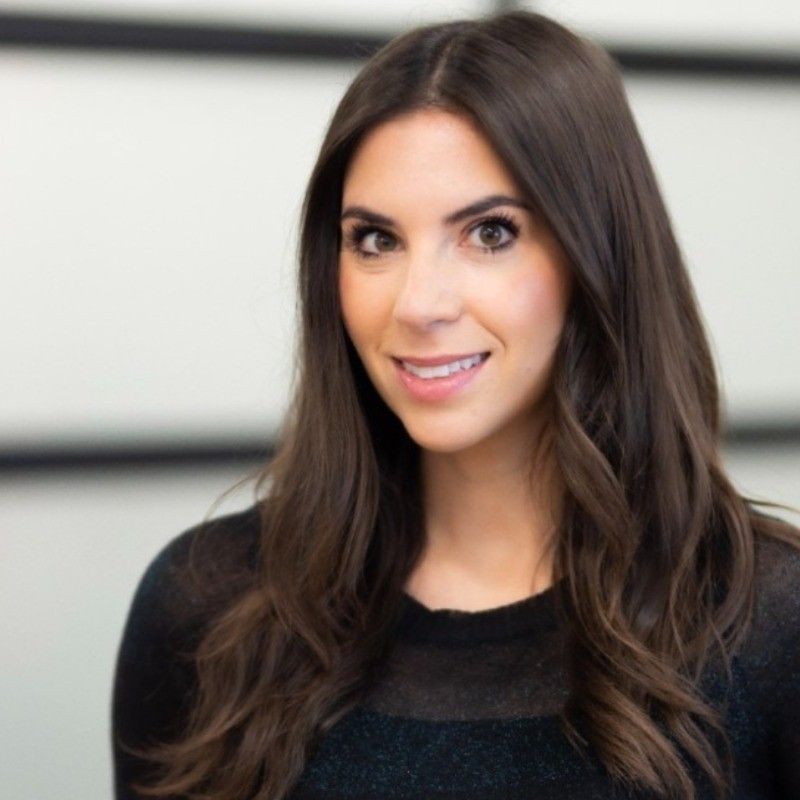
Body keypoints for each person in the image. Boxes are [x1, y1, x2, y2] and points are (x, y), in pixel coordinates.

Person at [111, 9, 800, 800]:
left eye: (490, 233)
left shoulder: (770, 629)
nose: (419, 303)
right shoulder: (204, 609)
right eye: (375, 240)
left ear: (597, 253)